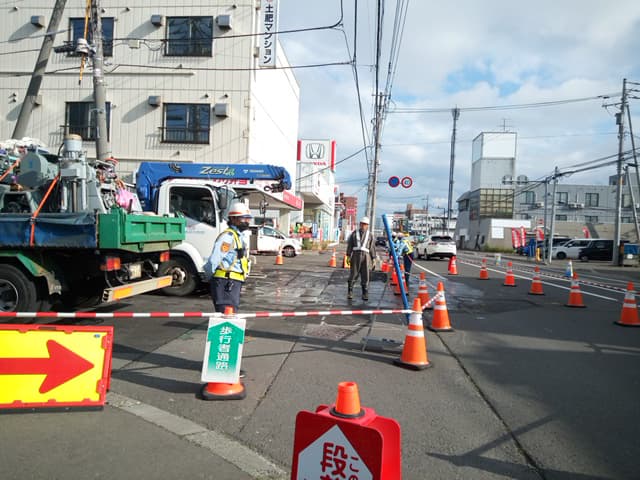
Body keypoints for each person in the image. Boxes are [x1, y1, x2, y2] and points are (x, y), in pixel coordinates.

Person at [208, 200, 252, 313]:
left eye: (248, 218)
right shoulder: (227, 237)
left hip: (233, 282)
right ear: (233, 219)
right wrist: (210, 279)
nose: (247, 221)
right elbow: (213, 261)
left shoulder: (238, 236)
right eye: (243, 218)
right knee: (226, 314)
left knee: (230, 313)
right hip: (226, 282)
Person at [346, 216, 376, 301]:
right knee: (353, 274)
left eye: (365, 224)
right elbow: (350, 245)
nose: (363, 226)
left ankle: (365, 293)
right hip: (356, 255)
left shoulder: (370, 235)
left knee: (365, 274)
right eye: (362, 224)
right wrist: (348, 255)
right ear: (360, 224)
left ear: (368, 225)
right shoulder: (354, 233)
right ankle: (350, 292)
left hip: (366, 256)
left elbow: (372, 247)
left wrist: (373, 259)